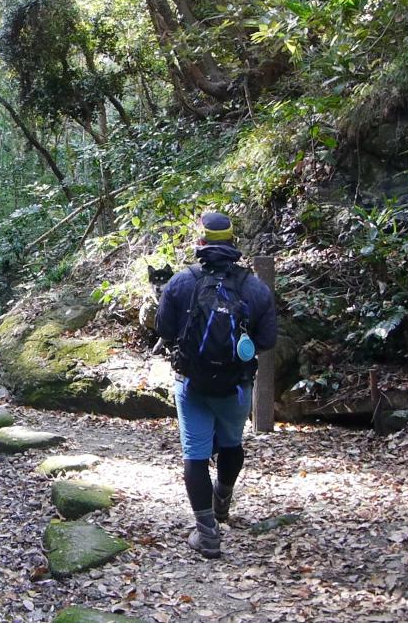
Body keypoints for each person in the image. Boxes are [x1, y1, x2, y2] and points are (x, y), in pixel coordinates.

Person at [156, 211, 277, 558]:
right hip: (236, 386)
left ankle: (207, 533)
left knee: (194, 454)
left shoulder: (181, 282)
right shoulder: (254, 287)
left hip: (191, 382)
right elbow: (266, 340)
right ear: (232, 240)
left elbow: (164, 330)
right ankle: (221, 501)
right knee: (230, 443)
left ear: (201, 240)